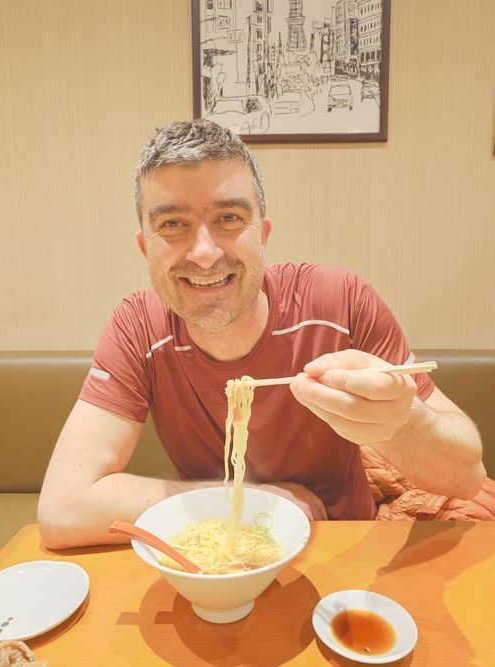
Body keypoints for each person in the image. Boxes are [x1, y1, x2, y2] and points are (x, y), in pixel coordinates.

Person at [38, 120, 485, 548]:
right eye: (172, 224)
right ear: (144, 246)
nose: (205, 253)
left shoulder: (341, 303)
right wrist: (253, 501)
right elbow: (62, 512)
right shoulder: (137, 327)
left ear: (263, 235)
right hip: (216, 554)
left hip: (344, 543)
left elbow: (467, 477)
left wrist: (403, 423)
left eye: (229, 217)